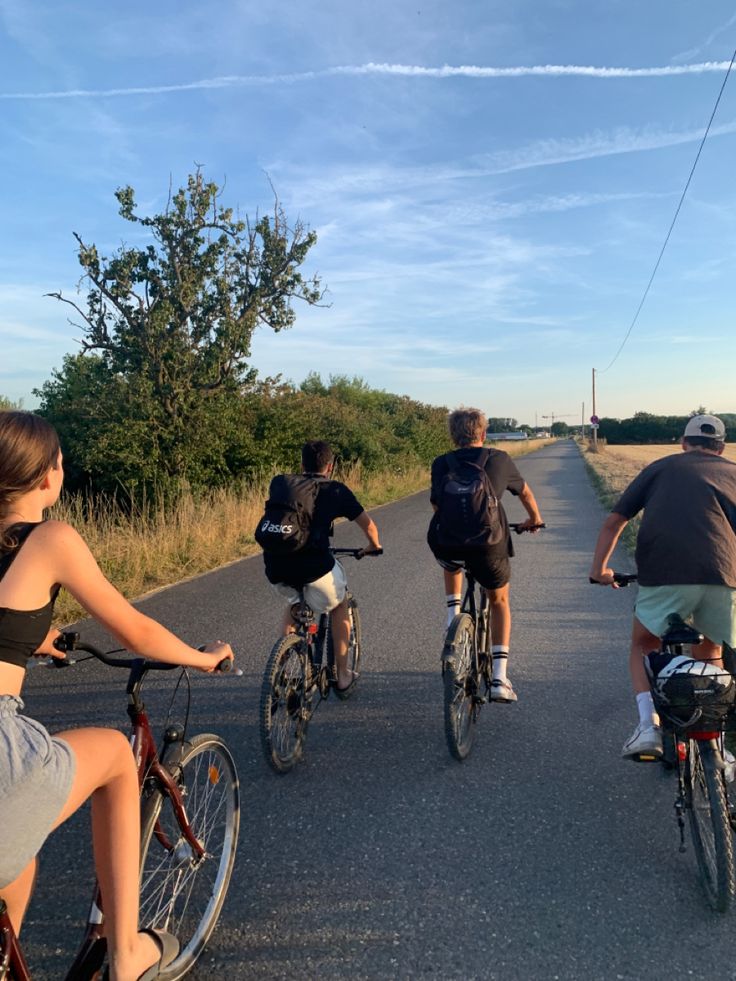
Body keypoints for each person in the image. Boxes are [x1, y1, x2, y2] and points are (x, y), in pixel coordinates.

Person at [0, 411, 233, 981]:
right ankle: (127, 955)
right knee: (112, 755)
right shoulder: (51, 539)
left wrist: (33, 636)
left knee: (19, 851)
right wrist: (205, 657)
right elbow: (135, 631)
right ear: (49, 477)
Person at [589, 414, 736, 761]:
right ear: (722, 447)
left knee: (644, 644)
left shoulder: (660, 468)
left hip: (665, 573)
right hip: (723, 575)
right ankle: (715, 745)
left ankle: (647, 726)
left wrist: (600, 570)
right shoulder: (733, 472)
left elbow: (615, 521)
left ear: (683, 443)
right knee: (712, 648)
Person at [427, 408, 544, 703]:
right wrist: (534, 520)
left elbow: (437, 506)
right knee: (499, 599)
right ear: (483, 433)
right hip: (489, 546)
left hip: (448, 545)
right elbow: (526, 494)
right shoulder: (499, 459)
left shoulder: (441, 463)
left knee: (450, 556)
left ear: (453, 435)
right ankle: (499, 678)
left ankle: (452, 614)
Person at [262, 440, 381, 694]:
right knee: (339, 604)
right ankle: (344, 675)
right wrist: (373, 546)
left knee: (295, 604)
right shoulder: (335, 490)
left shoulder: (282, 484)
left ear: (302, 464)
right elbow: (369, 527)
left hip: (275, 568)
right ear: (330, 466)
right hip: (314, 567)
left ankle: (280, 669)